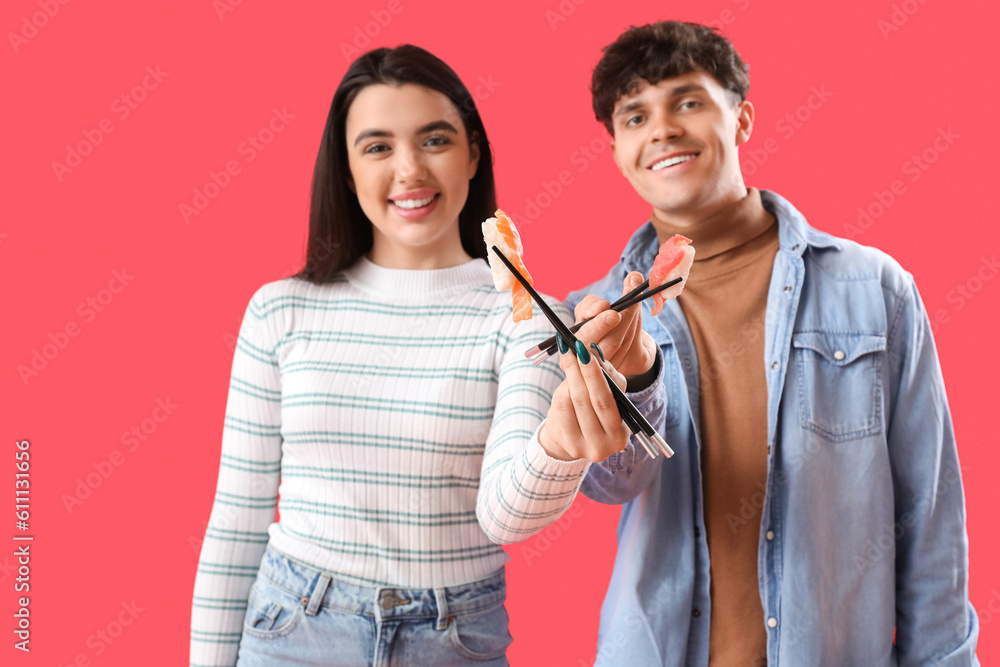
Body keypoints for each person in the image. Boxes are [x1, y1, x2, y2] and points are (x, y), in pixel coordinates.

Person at [188, 44, 654, 666]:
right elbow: (236, 523)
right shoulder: (280, 311)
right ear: (346, 169)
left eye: (434, 140)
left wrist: (559, 448)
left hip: (454, 637)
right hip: (293, 629)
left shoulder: (525, 317)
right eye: (377, 146)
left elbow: (505, 513)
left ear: (472, 153)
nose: (408, 169)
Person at [564, 20, 979, 666]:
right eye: (634, 116)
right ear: (617, 149)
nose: (662, 130)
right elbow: (607, 482)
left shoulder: (873, 289)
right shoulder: (595, 318)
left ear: (744, 118)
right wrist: (627, 380)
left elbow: (928, 517)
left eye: (688, 102)